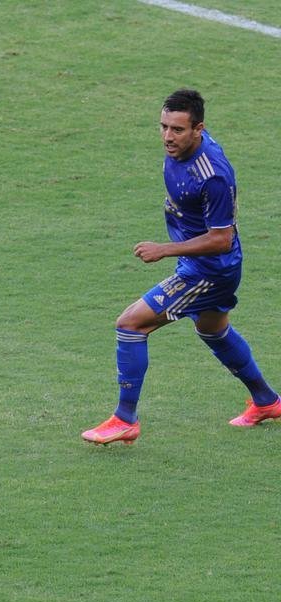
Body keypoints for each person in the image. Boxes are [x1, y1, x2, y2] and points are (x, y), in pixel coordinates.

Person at [83, 89, 280, 444]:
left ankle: (125, 419)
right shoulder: (182, 149)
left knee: (130, 324)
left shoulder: (213, 175)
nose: (168, 137)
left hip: (207, 268)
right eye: (163, 127)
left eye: (177, 130)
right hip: (208, 263)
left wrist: (165, 249)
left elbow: (221, 238)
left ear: (198, 129)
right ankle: (267, 401)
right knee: (213, 331)